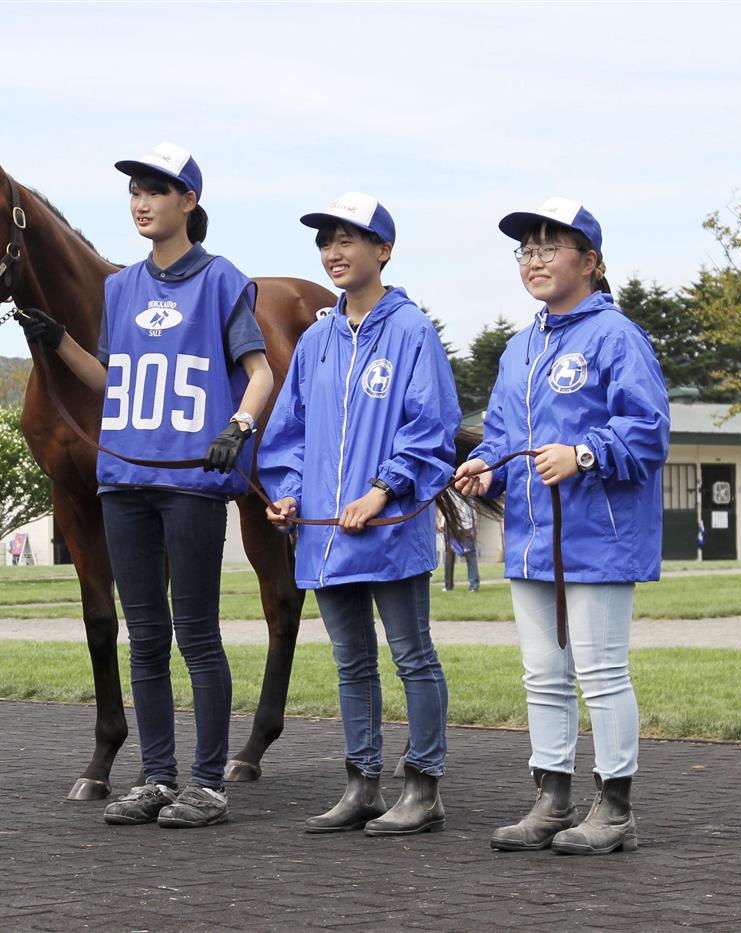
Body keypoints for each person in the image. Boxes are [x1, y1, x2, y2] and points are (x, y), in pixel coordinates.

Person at [20, 142, 273, 828]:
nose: (141, 200)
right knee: (145, 635)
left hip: (192, 482)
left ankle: (207, 783)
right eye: (134, 189)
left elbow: (260, 371)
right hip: (123, 480)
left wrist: (240, 426)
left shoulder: (223, 280)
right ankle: (157, 777)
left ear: (188, 201)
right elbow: (111, 380)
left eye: (156, 189)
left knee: (195, 632)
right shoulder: (119, 287)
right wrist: (56, 341)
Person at [455, 198, 669, 855]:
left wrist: (582, 452)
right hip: (529, 535)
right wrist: (485, 466)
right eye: (526, 249)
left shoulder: (617, 336)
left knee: (601, 673)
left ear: (592, 262)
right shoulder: (521, 346)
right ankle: (551, 799)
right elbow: (503, 435)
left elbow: (649, 430)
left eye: (551, 247)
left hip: (598, 534)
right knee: (542, 674)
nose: (535, 260)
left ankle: (615, 807)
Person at [259, 192, 460, 836]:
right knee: (350, 662)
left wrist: (381, 490)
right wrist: (289, 492)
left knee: (412, 656)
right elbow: (288, 432)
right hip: (324, 537)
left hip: (389, 529)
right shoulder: (317, 338)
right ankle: (361, 783)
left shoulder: (412, 331)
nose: (334, 252)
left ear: (384, 250)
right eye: (326, 241)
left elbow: (430, 427)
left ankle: (423, 788)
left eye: (349, 239)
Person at [441, 497, 480, 592]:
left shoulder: (451, 490)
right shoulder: (466, 492)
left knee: (453, 556)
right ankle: (473, 585)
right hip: (460, 526)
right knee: (467, 556)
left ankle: (449, 586)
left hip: (460, 526)